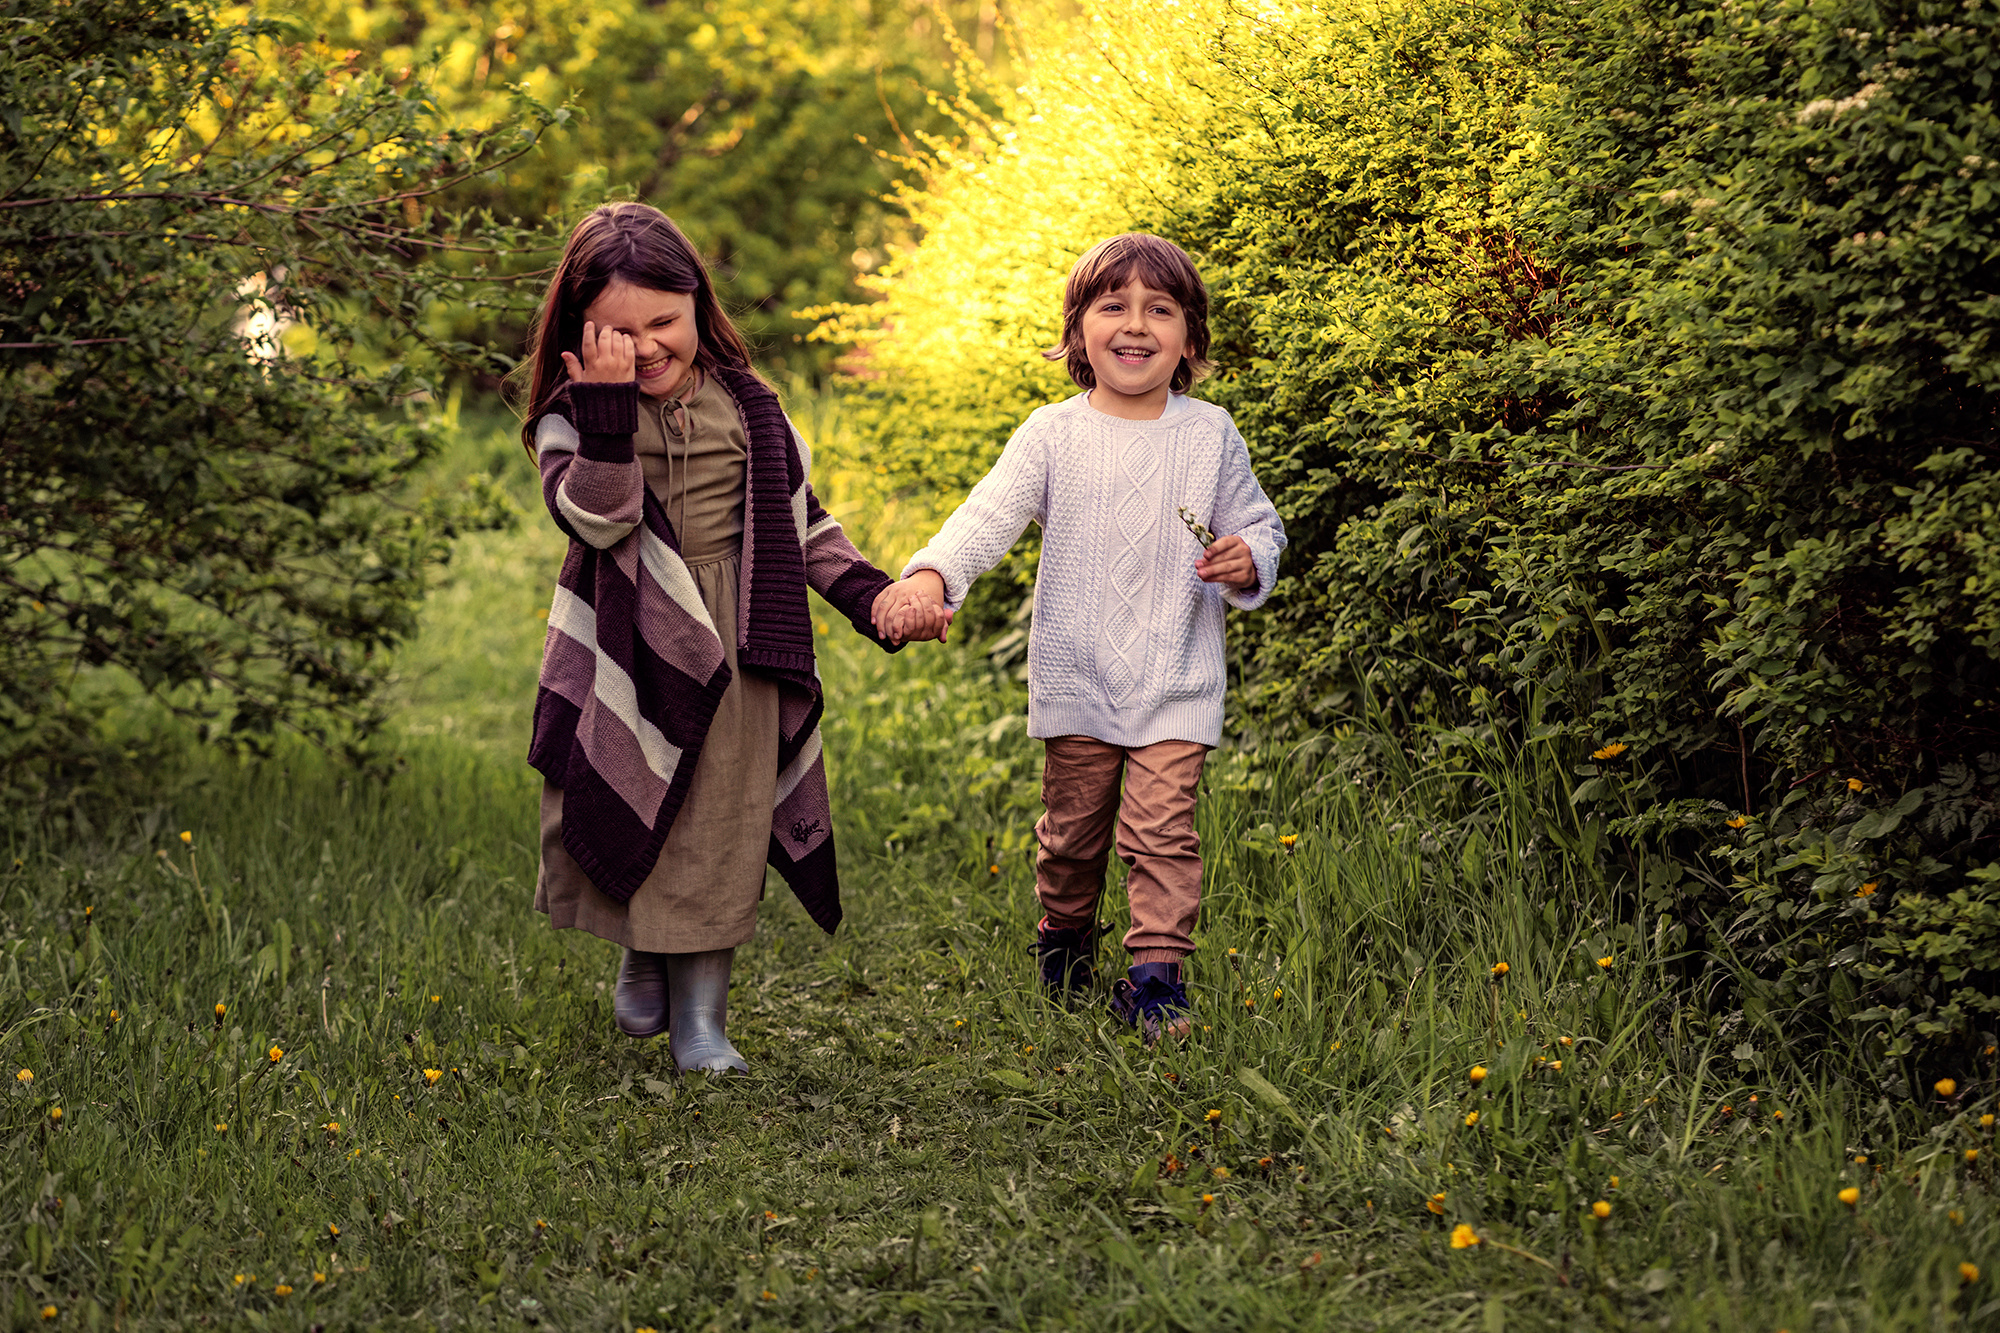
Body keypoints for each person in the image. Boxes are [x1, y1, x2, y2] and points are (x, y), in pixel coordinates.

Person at [518, 202, 947, 1073]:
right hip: (631, 651)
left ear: (698, 307)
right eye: (616, 332)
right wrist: (604, 412)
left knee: (720, 826)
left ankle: (702, 1023)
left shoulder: (749, 406)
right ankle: (645, 946)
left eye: (663, 324)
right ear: (578, 328)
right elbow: (601, 520)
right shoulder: (572, 416)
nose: (644, 349)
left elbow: (805, 527)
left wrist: (875, 599)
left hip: (740, 645)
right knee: (643, 802)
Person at [896, 232, 1286, 1041]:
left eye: (1160, 309)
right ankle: (1064, 943)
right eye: (1114, 306)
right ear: (1079, 330)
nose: (1136, 325)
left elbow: (1261, 523)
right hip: (1079, 673)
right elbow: (987, 516)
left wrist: (1248, 557)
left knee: (1161, 833)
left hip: (1177, 673)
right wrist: (932, 577)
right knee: (1072, 836)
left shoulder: (1210, 434)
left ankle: (1155, 983)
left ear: (1189, 337)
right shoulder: (1053, 433)